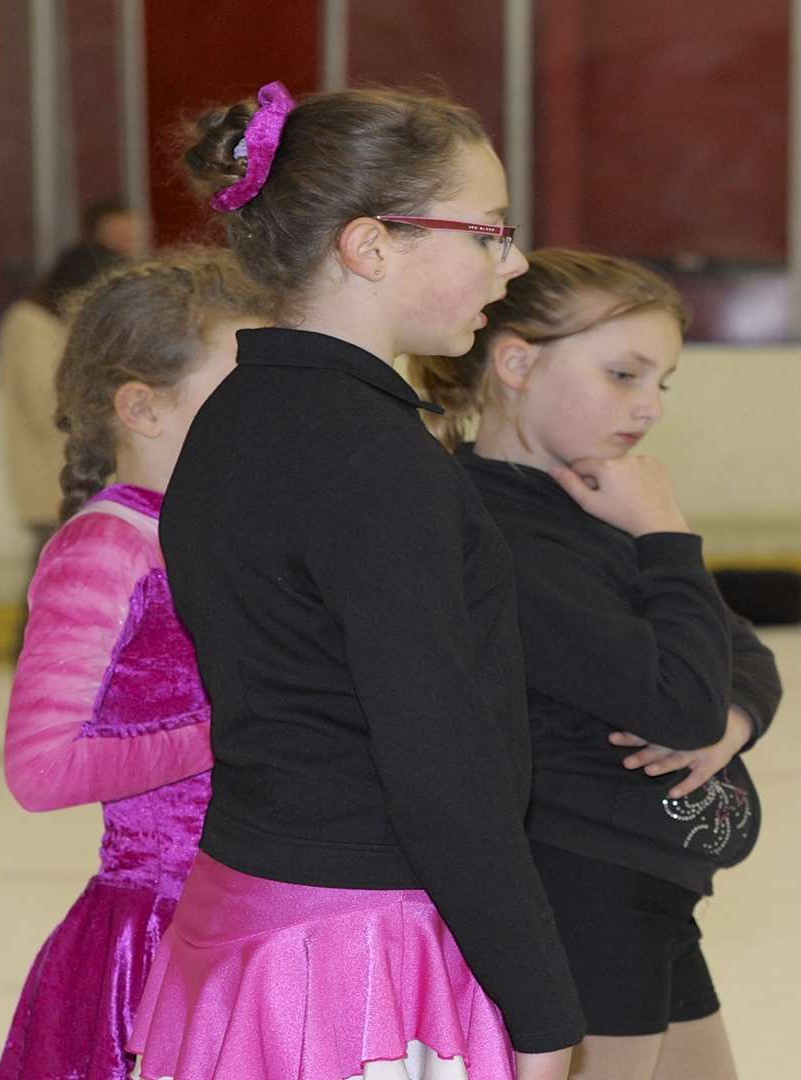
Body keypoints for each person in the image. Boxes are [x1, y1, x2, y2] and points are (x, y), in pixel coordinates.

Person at [127, 81, 581, 1080]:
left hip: (245, 914)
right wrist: (542, 1008)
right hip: (348, 955)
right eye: (488, 234)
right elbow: (441, 758)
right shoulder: (376, 461)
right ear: (372, 245)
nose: (511, 265)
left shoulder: (237, 422)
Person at [417, 248, 781, 1080]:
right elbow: (675, 702)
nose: (649, 407)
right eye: (624, 374)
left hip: (649, 888)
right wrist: (665, 540)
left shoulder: (592, 501)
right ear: (515, 362)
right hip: (584, 889)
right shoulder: (498, 534)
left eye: (664, 382)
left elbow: (746, 653)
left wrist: (729, 724)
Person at [0, 250, 267, 1079]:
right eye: (242, 395)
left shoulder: (228, 530)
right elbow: (41, 771)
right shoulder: (107, 547)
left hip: (263, 914)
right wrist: (232, 731)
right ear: (142, 407)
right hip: (160, 937)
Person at [0, 241, 130, 651]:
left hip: (69, 474)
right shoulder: (29, 323)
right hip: (49, 477)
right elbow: (46, 403)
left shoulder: (55, 327)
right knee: (48, 583)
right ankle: (31, 664)